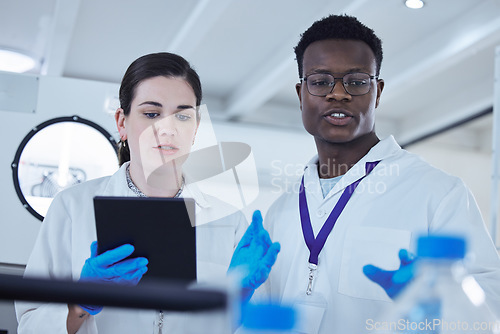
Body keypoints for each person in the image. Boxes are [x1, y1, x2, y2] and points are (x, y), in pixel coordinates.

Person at [258, 14, 500, 334]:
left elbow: (490, 307)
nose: (338, 93)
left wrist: (434, 309)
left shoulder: (439, 193)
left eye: (357, 81)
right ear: (302, 93)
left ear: (378, 91)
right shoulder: (281, 209)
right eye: (320, 81)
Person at [16, 52, 279, 334]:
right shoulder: (72, 207)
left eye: (182, 115)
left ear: (196, 127)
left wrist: (237, 302)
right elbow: (30, 324)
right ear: (121, 122)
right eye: (151, 114)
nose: (167, 129)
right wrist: (81, 301)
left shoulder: (229, 221)